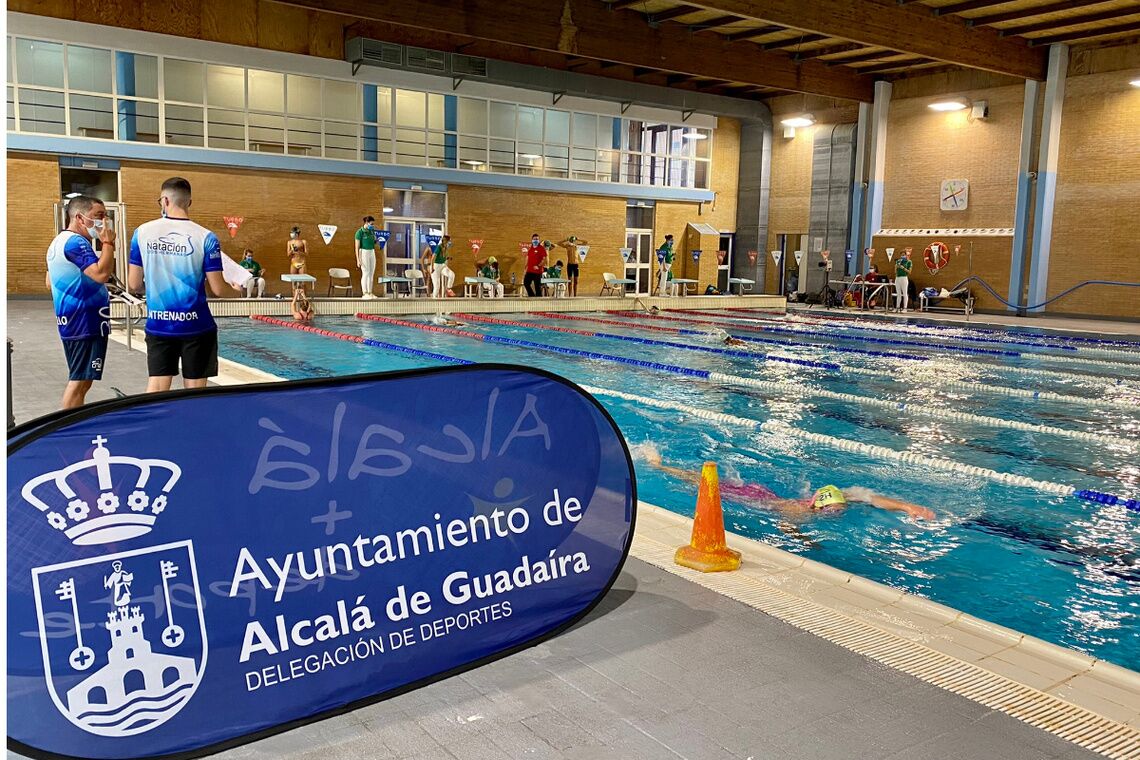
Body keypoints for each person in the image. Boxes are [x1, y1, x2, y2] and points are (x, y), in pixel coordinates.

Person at [128, 177, 236, 392]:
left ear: (164, 200)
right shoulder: (206, 237)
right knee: (195, 394)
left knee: (157, 388)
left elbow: (134, 284)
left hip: (159, 324)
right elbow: (218, 289)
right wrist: (238, 292)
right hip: (196, 326)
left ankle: (155, 425)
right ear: (189, 202)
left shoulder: (141, 233)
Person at [641, 445, 935, 521]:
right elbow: (785, 524)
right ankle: (659, 464)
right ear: (819, 506)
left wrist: (908, 506)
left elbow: (869, 497)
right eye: (833, 512)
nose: (837, 513)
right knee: (700, 482)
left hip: (761, 492)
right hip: (746, 498)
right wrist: (806, 541)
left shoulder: (832, 497)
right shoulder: (799, 511)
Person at [46, 195, 115, 409]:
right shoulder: (76, 242)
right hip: (85, 322)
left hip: (72, 320)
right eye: (98, 216)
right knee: (79, 381)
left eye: (105, 216)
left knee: (82, 379)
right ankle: (68, 428)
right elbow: (101, 274)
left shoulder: (57, 242)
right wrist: (108, 243)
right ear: (79, 217)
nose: (103, 222)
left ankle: (70, 425)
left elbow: (49, 282)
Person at [354, 216, 378, 299]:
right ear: (366, 223)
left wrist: (376, 239)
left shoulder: (372, 231)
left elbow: (374, 242)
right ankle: (364, 293)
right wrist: (358, 260)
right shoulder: (359, 232)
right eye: (371, 224)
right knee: (366, 272)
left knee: (371, 273)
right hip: (363, 252)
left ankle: (370, 292)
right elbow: (356, 247)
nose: (373, 225)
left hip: (372, 251)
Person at [522, 233, 547, 297]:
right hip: (529, 271)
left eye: (537, 239)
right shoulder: (530, 249)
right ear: (532, 240)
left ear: (539, 240)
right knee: (526, 283)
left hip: (537, 272)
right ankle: (532, 296)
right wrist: (525, 268)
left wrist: (538, 266)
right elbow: (528, 259)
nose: (536, 240)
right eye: (534, 239)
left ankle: (539, 301)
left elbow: (544, 259)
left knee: (537, 287)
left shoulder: (541, 248)